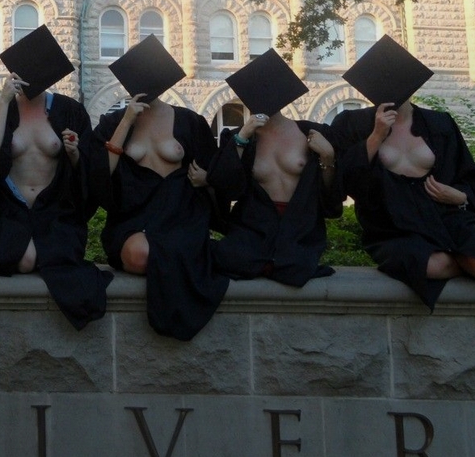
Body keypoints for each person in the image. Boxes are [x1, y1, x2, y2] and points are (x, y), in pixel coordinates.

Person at [0, 25, 112, 330]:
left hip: (56, 210)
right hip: (12, 209)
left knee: (53, 264)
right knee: (22, 261)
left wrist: (73, 152)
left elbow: (86, 169)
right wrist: (3, 102)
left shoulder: (69, 110)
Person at [90, 36, 227, 340]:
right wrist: (125, 122)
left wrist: (206, 179)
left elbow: (214, 172)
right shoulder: (113, 121)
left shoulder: (190, 121)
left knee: (164, 253)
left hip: (180, 213)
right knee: (139, 254)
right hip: (134, 215)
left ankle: (191, 263)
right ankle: (190, 260)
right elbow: (100, 176)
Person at [331, 35, 475, 308]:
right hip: (392, 225)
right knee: (432, 265)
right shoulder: (353, 124)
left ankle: (464, 258)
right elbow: (345, 181)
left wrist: (461, 197)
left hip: (446, 214)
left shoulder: (440, 124)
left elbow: (468, 175)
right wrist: (375, 136)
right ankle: (460, 260)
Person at [207, 50, 342, 287]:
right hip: (253, 227)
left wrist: (328, 155)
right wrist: (242, 137)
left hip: (299, 226)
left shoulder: (311, 133)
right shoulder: (240, 138)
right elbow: (225, 187)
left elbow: (330, 197)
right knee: (230, 259)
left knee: (293, 267)